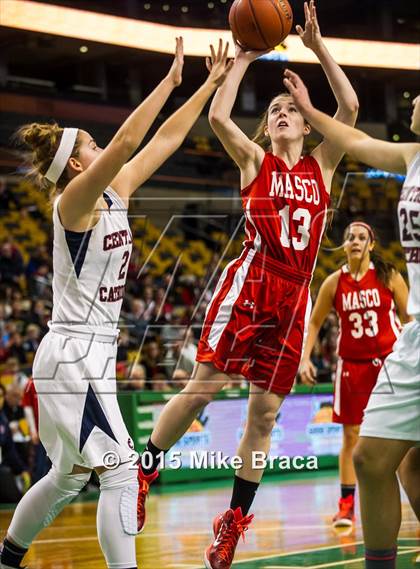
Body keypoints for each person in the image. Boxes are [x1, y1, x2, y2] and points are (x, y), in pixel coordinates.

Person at [136, 3, 359, 568]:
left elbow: (351, 106)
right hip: (253, 281)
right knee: (203, 386)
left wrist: (317, 46)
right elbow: (217, 118)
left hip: (296, 293)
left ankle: (233, 522)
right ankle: (145, 469)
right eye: (277, 110)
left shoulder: (323, 165)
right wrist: (242, 58)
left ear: (309, 124)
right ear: (268, 126)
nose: (283, 113)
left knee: (263, 416)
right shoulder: (254, 158)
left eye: (292, 109)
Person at [0, 38, 233, 569]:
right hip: (73, 355)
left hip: (88, 357)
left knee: (67, 477)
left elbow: (167, 137)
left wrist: (208, 86)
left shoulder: (114, 192)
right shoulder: (72, 202)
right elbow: (130, 138)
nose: (99, 146)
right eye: (90, 144)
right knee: (124, 471)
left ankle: (7, 559)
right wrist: (170, 82)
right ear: (77, 166)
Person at [283, 68, 419, 569]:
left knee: (404, 464)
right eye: (352, 236)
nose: (414, 103)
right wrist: (311, 107)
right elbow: (356, 141)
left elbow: (404, 314)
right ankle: (363, 534)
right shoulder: (412, 157)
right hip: (380, 355)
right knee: (364, 453)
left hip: (394, 352)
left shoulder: (386, 277)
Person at [300, 221, 410, 527]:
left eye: (362, 237)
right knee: (351, 436)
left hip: (391, 363)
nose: (356, 241)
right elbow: (313, 322)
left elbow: (409, 318)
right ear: (344, 245)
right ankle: (346, 506)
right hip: (352, 366)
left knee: (407, 441)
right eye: (351, 237)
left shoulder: (389, 276)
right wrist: (304, 358)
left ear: (372, 245)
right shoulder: (334, 283)